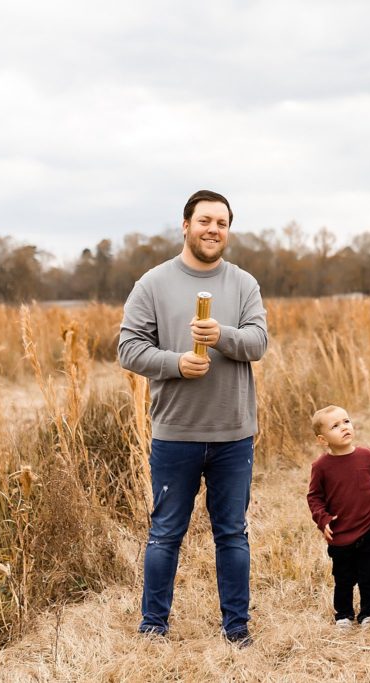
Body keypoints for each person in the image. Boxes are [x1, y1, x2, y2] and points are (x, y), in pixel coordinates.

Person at [118, 189, 268, 646]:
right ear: (185, 225)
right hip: (175, 432)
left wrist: (222, 335)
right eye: (205, 221)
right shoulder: (153, 283)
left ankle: (236, 628)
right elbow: (129, 349)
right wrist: (176, 364)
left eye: (221, 223)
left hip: (233, 432)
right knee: (164, 534)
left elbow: (258, 342)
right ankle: (153, 625)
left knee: (233, 534)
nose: (213, 230)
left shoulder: (243, 284)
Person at [306, 405, 370, 629]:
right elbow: (314, 497)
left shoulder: (366, 457)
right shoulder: (321, 467)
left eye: (346, 421)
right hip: (340, 533)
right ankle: (344, 614)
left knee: (369, 575)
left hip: (368, 529)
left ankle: (369, 612)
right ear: (322, 439)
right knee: (343, 578)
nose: (344, 427)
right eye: (335, 426)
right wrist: (322, 519)